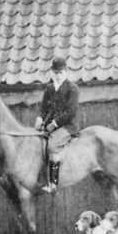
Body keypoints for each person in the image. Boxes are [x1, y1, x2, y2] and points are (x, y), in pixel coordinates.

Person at [34, 57, 80, 193]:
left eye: (60, 73)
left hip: (67, 126)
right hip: (49, 125)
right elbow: (43, 107)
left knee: (53, 145)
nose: (58, 75)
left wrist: (54, 124)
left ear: (66, 72)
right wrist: (39, 118)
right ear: (51, 73)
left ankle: (53, 184)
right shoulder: (49, 88)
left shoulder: (72, 88)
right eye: (55, 73)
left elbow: (71, 112)